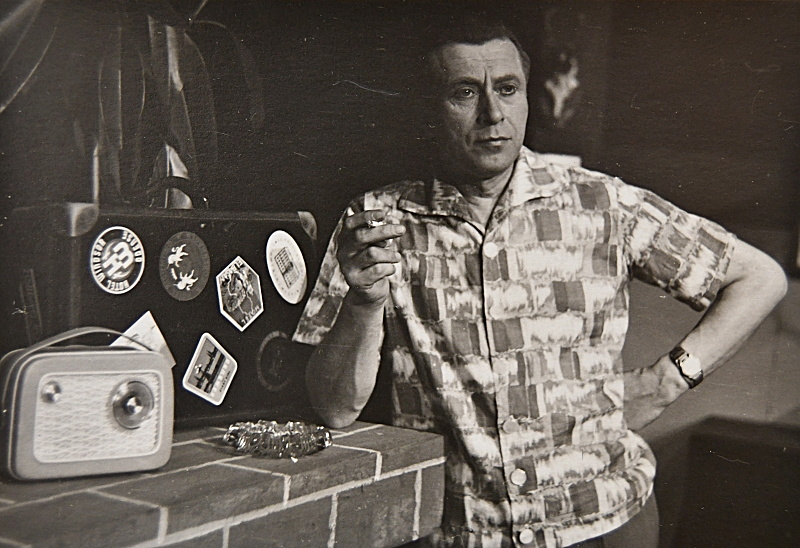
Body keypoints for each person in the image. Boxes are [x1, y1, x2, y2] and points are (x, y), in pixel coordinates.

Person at [292, 16, 788, 548]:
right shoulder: (376, 222)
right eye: (465, 93)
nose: (493, 114)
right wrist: (365, 305)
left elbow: (759, 278)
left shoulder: (602, 203)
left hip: (601, 522)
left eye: (508, 89)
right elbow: (335, 407)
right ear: (428, 108)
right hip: (461, 533)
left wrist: (665, 382)